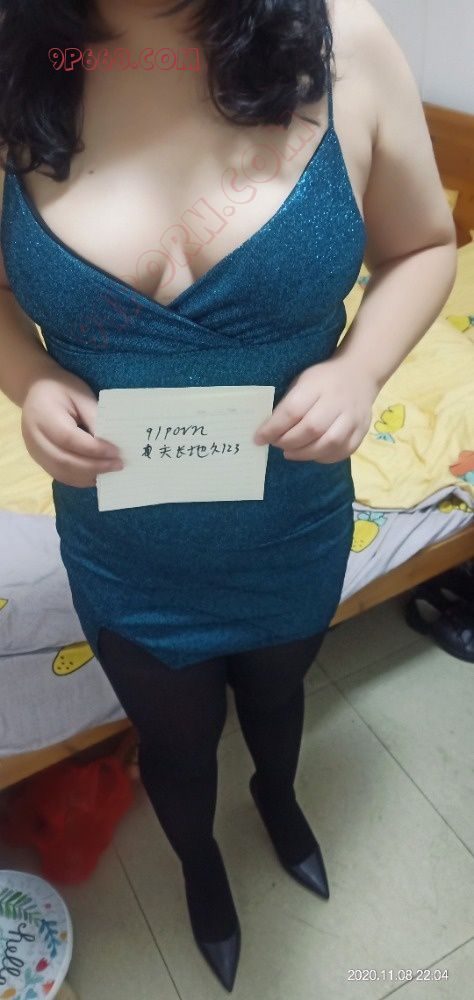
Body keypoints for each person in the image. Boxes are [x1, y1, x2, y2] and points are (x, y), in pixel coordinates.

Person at [0, 0, 457, 991]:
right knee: (175, 743)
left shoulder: (346, 41)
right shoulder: (20, 57)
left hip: (291, 525)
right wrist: (29, 380)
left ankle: (280, 802)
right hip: (127, 550)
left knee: (281, 696)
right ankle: (203, 873)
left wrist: (362, 369)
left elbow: (425, 245)